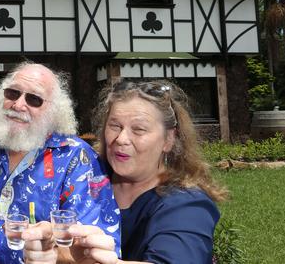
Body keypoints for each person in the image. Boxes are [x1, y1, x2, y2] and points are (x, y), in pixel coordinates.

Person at [23, 79, 226, 264]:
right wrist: (53, 252)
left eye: (139, 129)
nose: (121, 139)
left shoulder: (186, 204)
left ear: (169, 139)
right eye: (115, 126)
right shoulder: (82, 180)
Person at [0, 62, 121, 264]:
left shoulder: (77, 156)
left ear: (54, 111)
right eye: (12, 93)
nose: (18, 104)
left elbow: (98, 248)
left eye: (34, 99)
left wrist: (53, 253)